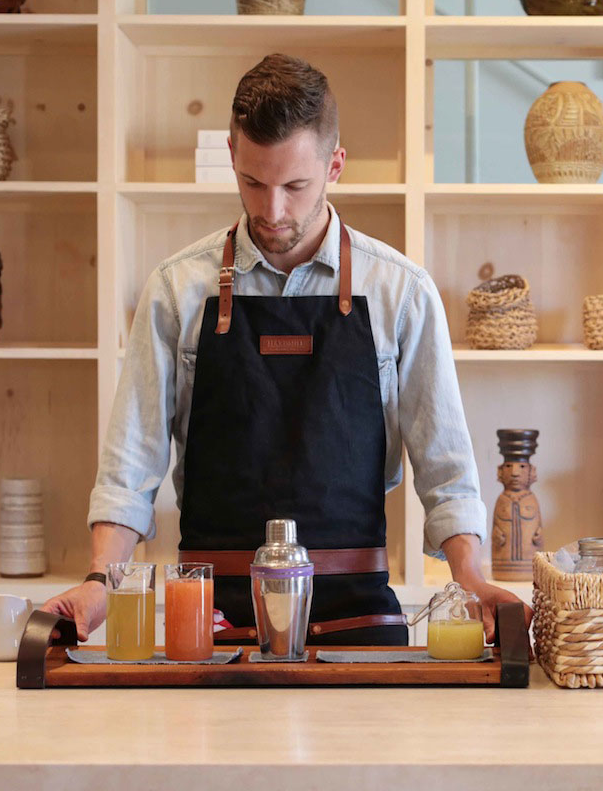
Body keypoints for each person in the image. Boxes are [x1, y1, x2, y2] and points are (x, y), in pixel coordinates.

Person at [43, 53, 528, 647]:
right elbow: (130, 462)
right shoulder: (177, 289)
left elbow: (446, 468)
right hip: (212, 618)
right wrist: (100, 578)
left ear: (336, 165)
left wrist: (471, 577)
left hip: (356, 612)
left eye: (296, 185)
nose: (272, 212)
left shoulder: (401, 292)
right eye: (253, 183)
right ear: (232, 156)